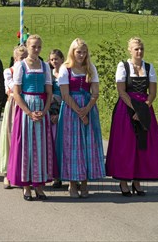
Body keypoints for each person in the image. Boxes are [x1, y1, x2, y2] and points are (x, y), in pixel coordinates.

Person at [106, 37, 158, 196]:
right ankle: (123, 181)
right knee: (125, 144)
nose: (139, 51)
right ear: (129, 50)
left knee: (142, 145)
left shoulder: (149, 67)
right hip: (126, 109)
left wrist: (143, 109)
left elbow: (152, 93)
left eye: (141, 49)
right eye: (136, 49)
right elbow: (122, 92)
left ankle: (137, 180)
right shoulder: (123, 66)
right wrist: (136, 110)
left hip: (145, 108)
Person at [7, 34, 56, 201]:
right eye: (33, 46)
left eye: (39, 47)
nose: (36, 49)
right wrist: (28, 112)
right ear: (27, 47)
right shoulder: (21, 66)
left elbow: (49, 92)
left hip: (42, 108)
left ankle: (39, 186)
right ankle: (26, 186)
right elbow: (16, 92)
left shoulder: (45, 66)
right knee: (26, 147)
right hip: (26, 109)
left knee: (42, 147)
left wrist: (45, 110)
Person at [56, 38, 105, 198]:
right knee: (72, 146)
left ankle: (84, 183)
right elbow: (64, 94)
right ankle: (72, 183)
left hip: (88, 108)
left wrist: (87, 110)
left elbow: (95, 92)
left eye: (84, 52)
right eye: (78, 52)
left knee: (87, 145)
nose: (81, 55)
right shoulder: (65, 68)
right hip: (71, 110)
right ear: (72, 52)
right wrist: (79, 111)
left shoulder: (90, 68)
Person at [0, 44, 28, 189]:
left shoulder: (30, 70)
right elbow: (10, 89)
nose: (23, 60)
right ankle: (7, 174)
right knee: (10, 138)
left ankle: (22, 173)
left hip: (26, 105)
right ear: (15, 58)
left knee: (24, 139)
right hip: (14, 106)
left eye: (25, 57)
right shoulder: (9, 71)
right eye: (21, 57)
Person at [48, 49, 65, 189]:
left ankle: (69, 174)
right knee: (54, 143)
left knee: (66, 144)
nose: (54, 62)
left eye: (56, 59)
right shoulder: (49, 74)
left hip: (65, 110)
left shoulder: (66, 72)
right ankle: (56, 176)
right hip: (52, 110)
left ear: (62, 59)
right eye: (52, 59)